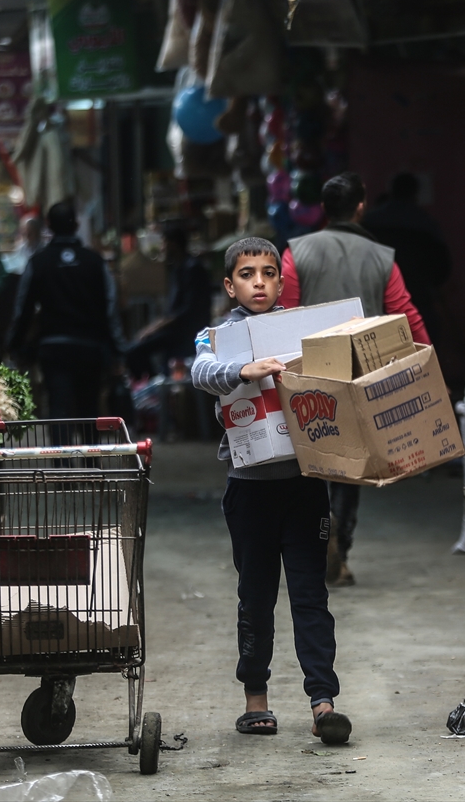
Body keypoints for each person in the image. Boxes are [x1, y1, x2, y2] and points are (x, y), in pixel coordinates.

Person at [190, 236, 352, 745]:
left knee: (311, 597)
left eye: (267, 273)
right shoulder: (216, 337)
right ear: (229, 285)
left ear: (281, 283)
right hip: (250, 493)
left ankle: (323, 703)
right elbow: (200, 372)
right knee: (255, 600)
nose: (258, 283)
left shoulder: (302, 331)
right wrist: (245, 369)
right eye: (246, 274)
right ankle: (255, 700)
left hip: (305, 487)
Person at [278, 171, 430, 587]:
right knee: (352, 467)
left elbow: (284, 313)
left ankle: (316, 541)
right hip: (362, 377)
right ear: (361, 207)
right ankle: (340, 552)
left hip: (308, 375)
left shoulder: (296, 253)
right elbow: (404, 312)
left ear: (323, 209)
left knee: (312, 462)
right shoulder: (382, 257)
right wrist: (426, 366)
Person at [7, 200, 126, 420]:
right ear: (76, 225)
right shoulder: (95, 262)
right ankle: (90, 444)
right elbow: (110, 309)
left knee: (58, 409)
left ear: (49, 225)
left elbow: (23, 308)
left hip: (53, 348)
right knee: (89, 411)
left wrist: (15, 345)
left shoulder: (38, 262)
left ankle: (61, 444)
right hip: (90, 347)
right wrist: (117, 349)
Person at [361, 172, 452, 342]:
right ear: (415, 193)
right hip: (417, 301)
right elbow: (442, 269)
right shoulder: (425, 223)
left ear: (391, 190)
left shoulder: (369, 222)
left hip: (377, 304)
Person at [125, 223, 212, 378]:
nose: (162, 248)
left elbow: (187, 310)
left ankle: (153, 385)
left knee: (135, 351)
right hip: (175, 329)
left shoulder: (192, 268)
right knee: (135, 348)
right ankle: (154, 382)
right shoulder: (178, 269)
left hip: (185, 331)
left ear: (173, 244)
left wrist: (156, 327)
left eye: (164, 243)